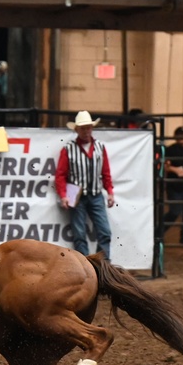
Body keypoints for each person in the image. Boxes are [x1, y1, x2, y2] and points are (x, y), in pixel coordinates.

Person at [54, 110, 115, 258]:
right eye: (83, 128)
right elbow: (60, 175)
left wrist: (110, 191)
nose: (86, 131)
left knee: (105, 232)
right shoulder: (68, 148)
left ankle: (102, 266)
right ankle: (86, 268)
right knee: (79, 234)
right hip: (76, 195)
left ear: (91, 128)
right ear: (76, 130)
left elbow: (105, 171)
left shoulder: (100, 147)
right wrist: (63, 195)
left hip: (95, 194)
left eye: (88, 127)